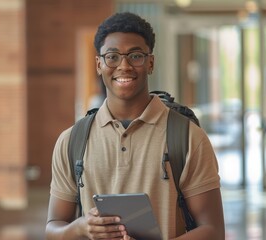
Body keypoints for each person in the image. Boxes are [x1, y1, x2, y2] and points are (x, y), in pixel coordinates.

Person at [46, 12, 225, 240]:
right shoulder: (71, 141)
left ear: (150, 62)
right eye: (112, 56)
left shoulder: (188, 137)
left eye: (136, 55)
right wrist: (81, 227)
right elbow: (52, 230)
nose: (124, 65)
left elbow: (213, 232)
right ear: (99, 64)